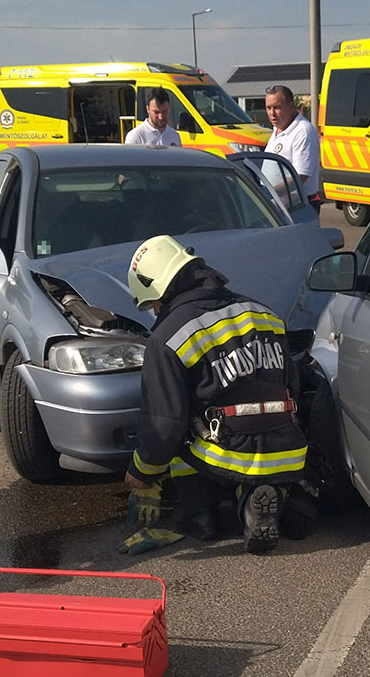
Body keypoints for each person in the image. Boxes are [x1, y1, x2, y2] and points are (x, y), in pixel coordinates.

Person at [121, 235, 308, 555]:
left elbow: (163, 425)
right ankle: (257, 499)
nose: (154, 310)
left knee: (180, 436)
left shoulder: (168, 336)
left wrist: (140, 471)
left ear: (160, 292)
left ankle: (199, 515)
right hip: (289, 448)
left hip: (232, 453)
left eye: (151, 303)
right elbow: (294, 387)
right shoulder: (263, 313)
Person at [264, 85, 321, 207]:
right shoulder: (277, 129)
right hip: (279, 205)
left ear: (291, 106)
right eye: (268, 108)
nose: (272, 113)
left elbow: (300, 177)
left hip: (298, 206)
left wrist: (268, 193)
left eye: (277, 107)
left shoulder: (303, 131)